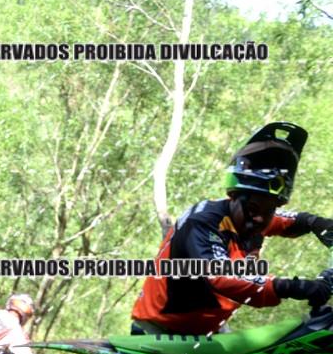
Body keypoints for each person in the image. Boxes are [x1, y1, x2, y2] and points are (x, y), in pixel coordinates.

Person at [132, 122, 333, 336]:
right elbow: (220, 275)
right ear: (233, 197)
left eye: (270, 210)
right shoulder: (201, 222)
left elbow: (293, 220)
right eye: (253, 208)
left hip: (206, 330)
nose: (260, 218)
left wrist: (316, 223)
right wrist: (293, 287)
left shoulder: (253, 218)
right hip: (159, 329)